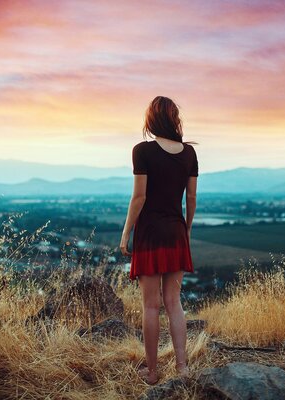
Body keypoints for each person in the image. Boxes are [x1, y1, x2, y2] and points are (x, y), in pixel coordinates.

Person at [120, 96, 198, 385]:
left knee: (151, 306)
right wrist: (186, 229)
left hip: (150, 234)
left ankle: (152, 373)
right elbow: (191, 197)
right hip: (176, 232)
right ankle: (182, 367)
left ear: (151, 120)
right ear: (174, 118)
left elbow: (139, 197)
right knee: (174, 302)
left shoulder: (142, 151)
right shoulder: (189, 153)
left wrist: (126, 231)